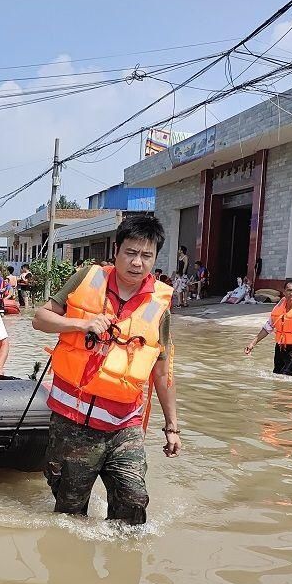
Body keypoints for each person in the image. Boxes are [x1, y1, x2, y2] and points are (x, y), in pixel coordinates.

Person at [31, 216, 180, 526]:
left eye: (146, 255)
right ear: (117, 250)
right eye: (131, 252)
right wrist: (81, 323)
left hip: (124, 424)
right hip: (73, 424)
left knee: (134, 503)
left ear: (155, 258)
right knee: (70, 513)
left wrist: (172, 427)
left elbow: (162, 371)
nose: (137, 262)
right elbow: (40, 318)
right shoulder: (87, 279)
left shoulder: (160, 305)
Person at [244, 280, 292, 376]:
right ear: (284, 292)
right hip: (280, 346)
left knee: (287, 375)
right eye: (289, 290)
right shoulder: (279, 306)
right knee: (276, 374)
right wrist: (252, 343)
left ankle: (285, 391)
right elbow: (268, 327)